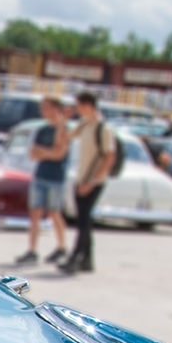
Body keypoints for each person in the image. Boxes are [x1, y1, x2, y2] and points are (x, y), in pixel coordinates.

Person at [59, 92, 115, 274]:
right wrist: (64, 120)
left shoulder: (103, 128)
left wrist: (92, 181)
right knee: (85, 221)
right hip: (81, 179)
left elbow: (109, 157)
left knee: (83, 221)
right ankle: (87, 260)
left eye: (80, 106)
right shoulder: (84, 125)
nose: (78, 110)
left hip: (93, 181)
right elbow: (65, 138)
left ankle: (75, 258)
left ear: (89, 105)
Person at [15, 97, 70, 266]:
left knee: (54, 212)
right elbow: (33, 154)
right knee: (35, 213)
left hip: (56, 177)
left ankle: (62, 247)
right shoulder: (42, 130)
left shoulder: (64, 130)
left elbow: (60, 154)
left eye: (46, 108)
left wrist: (45, 152)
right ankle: (32, 250)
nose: (42, 111)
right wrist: (49, 152)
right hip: (40, 175)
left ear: (55, 109)